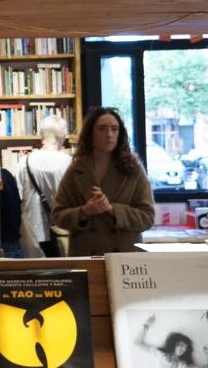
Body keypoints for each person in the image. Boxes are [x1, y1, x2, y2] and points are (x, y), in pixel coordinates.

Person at [51, 107, 155, 256]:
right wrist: (85, 211)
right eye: (102, 129)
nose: (109, 134)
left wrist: (112, 209)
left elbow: (147, 218)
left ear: (120, 133)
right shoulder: (76, 169)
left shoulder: (133, 168)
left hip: (124, 258)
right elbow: (58, 216)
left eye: (114, 129)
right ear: (91, 134)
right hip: (86, 256)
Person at [17, 116, 72, 258]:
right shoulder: (68, 163)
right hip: (61, 231)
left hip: (32, 233)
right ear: (62, 136)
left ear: (41, 135)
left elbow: (19, 199)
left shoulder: (24, 162)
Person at [135, 314, 204, 368]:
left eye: (186, 347)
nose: (183, 349)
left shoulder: (184, 365)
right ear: (174, 343)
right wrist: (146, 325)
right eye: (181, 345)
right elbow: (137, 342)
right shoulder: (160, 355)